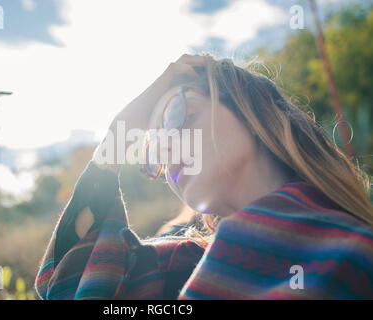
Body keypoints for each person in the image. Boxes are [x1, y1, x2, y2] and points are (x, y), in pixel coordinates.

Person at [35, 53, 373, 299]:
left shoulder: (356, 254)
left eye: (176, 116)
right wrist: (119, 133)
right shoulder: (175, 270)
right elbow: (64, 282)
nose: (165, 149)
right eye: (154, 150)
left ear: (251, 112)